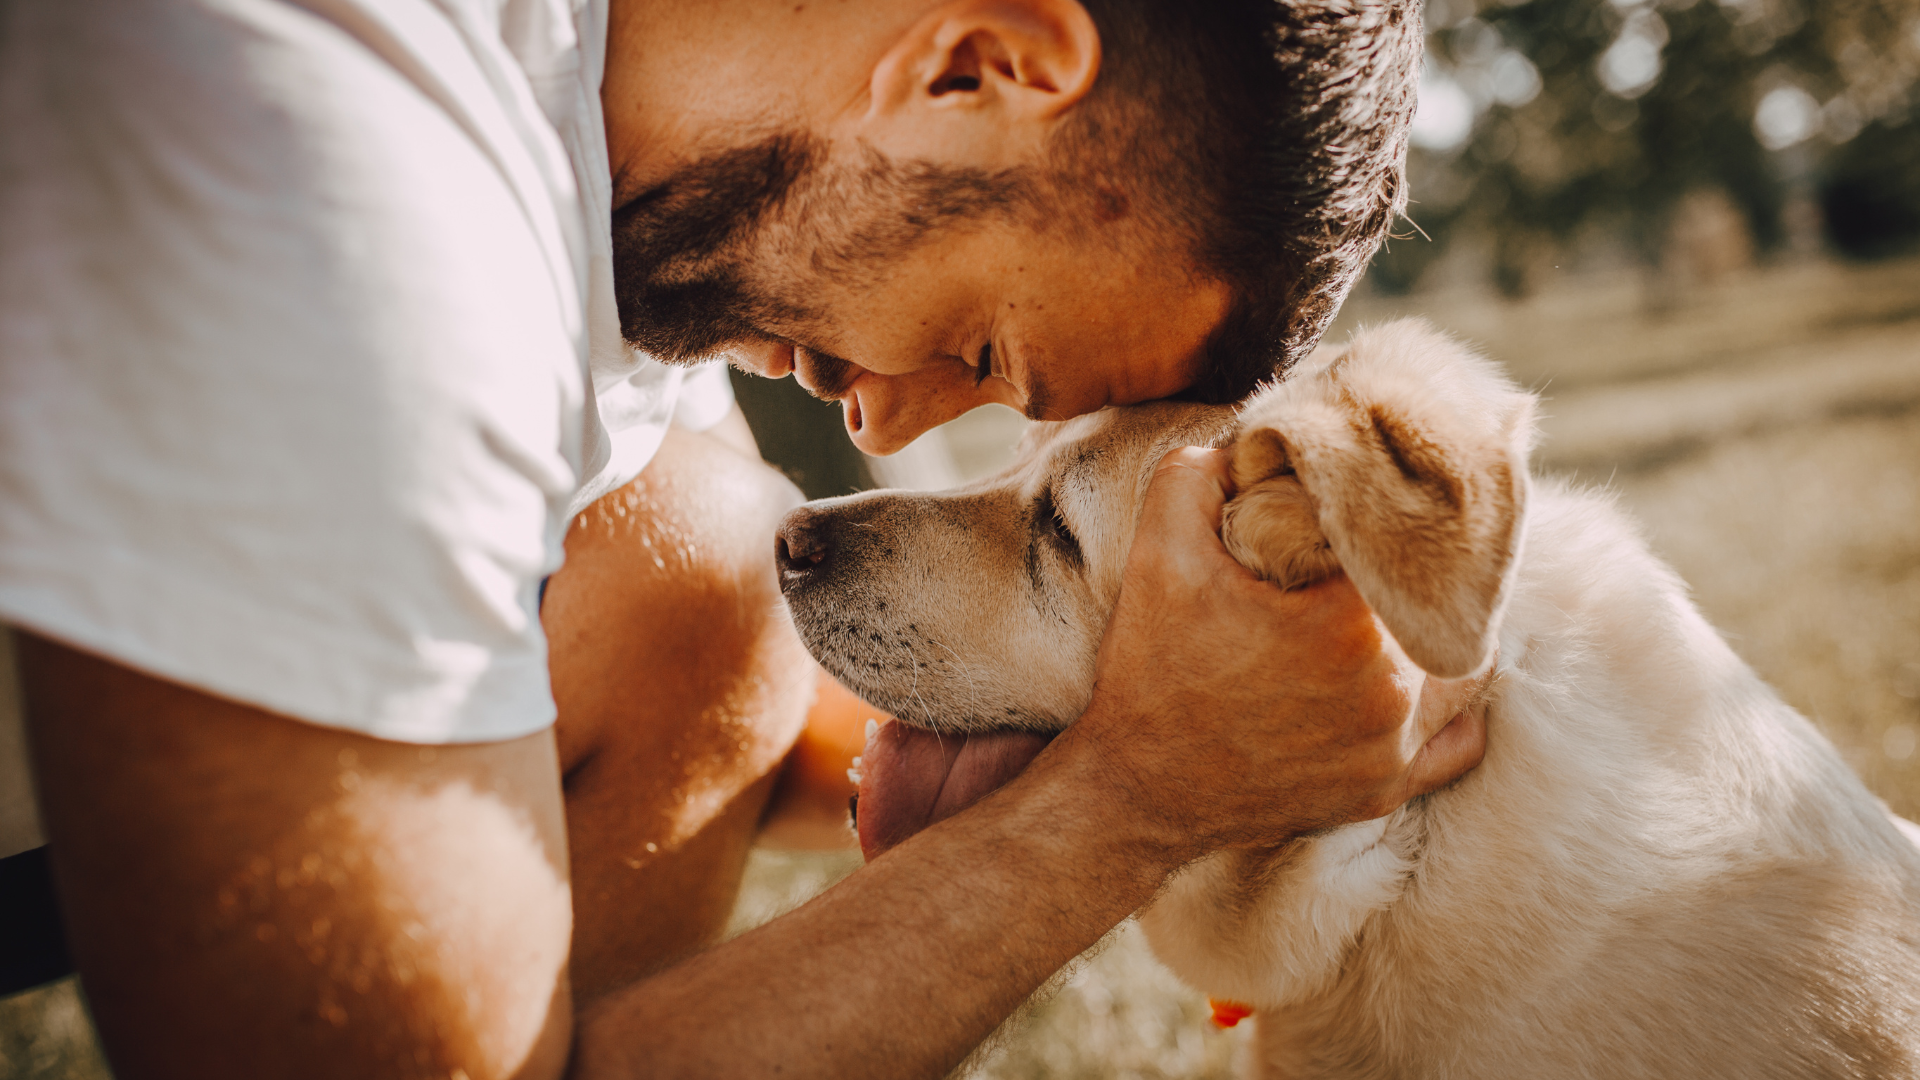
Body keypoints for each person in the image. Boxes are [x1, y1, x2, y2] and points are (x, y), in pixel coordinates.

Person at [0, 0, 1485, 1076]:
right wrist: (1136, 800)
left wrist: (1223, 719)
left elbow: (736, 696)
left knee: (698, 561)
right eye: (982, 345)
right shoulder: (338, 174)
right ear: (978, 65)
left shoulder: (610, 165)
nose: (887, 422)